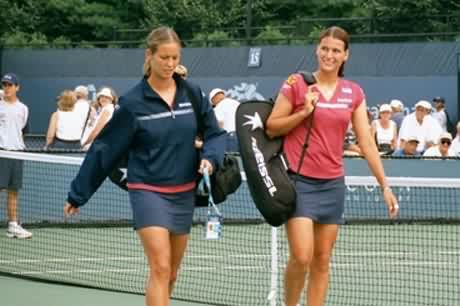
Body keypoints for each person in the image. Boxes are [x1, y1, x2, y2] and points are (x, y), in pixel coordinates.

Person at [64, 27, 225, 306]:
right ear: (149, 56)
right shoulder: (132, 103)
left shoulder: (193, 94)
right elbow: (105, 148)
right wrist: (78, 194)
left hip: (184, 191)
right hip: (147, 190)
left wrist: (210, 157)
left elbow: (215, 133)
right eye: (164, 57)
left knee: (172, 272)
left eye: (175, 57)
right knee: (160, 267)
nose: (170, 64)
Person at [265, 26, 399, 306]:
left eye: (336, 50)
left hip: (332, 185)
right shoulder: (296, 83)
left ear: (345, 55)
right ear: (317, 49)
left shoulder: (353, 93)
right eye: (325, 48)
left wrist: (385, 185)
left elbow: (366, 143)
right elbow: (271, 128)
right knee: (302, 256)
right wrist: (304, 112)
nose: (329, 55)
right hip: (298, 183)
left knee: (322, 261)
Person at [0, 73, 32, 239]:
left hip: (17, 152)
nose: (7, 88)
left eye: (10, 85)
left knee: (13, 191)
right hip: (2, 152)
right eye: (4, 85)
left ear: (17, 87)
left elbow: (23, 131)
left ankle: (13, 225)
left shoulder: (24, 108)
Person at [209, 88, 240, 152]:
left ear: (213, 99)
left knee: (231, 160)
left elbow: (220, 125)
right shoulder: (237, 103)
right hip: (243, 136)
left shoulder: (218, 107)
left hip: (230, 138)